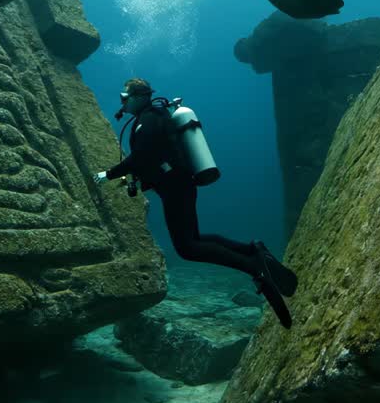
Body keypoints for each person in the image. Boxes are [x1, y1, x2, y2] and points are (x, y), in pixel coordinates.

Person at [93, 78, 298, 328]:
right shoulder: (153, 117)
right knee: (195, 239)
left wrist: (109, 174)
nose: (123, 104)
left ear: (137, 97)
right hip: (178, 184)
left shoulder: (148, 119)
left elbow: (141, 156)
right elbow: (151, 159)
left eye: (125, 98)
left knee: (187, 247)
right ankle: (253, 249)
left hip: (175, 186)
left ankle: (254, 267)